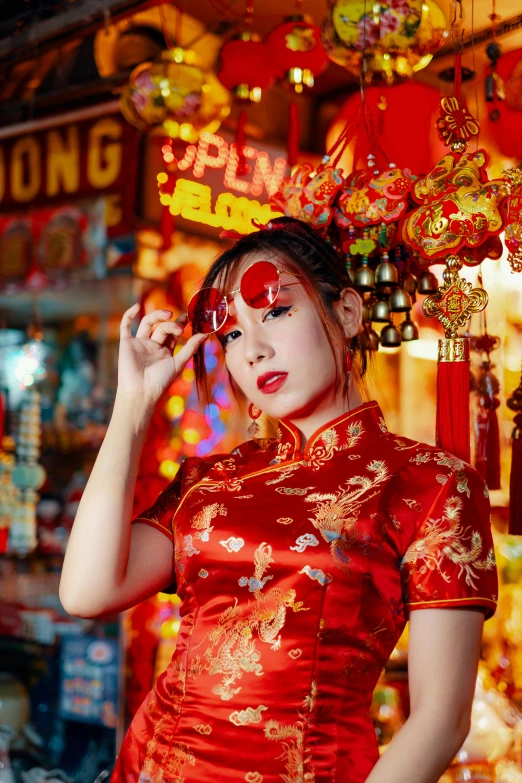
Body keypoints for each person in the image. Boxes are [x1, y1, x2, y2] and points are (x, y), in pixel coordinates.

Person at [59, 218, 498, 783]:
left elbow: (440, 718)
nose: (254, 351)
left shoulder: (428, 482)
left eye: (275, 311)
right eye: (233, 334)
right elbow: (86, 592)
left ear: (347, 312)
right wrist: (133, 407)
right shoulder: (210, 478)